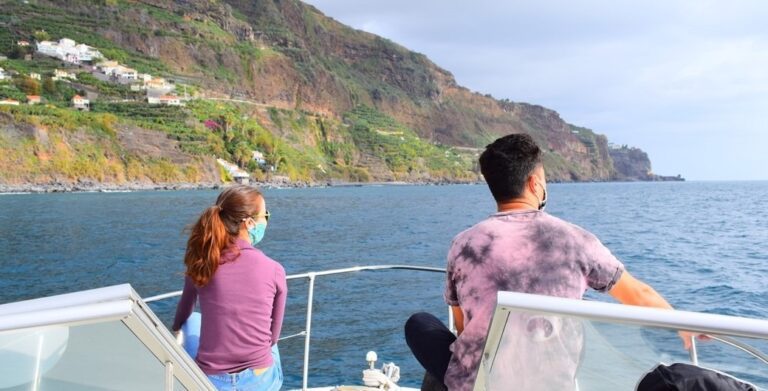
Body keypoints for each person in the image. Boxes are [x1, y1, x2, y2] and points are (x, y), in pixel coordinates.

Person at [405, 133, 693, 391]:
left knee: (419, 324)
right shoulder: (575, 239)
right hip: (552, 382)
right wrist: (683, 325)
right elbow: (636, 293)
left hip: (482, 382)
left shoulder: (464, 245)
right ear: (535, 183)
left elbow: (463, 327)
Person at [173, 185, 287, 391]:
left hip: (212, 382)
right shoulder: (274, 269)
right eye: (266, 216)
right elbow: (273, 337)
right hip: (259, 382)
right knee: (272, 345)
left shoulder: (202, 263)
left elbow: (183, 313)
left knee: (193, 321)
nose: (267, 220)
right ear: (250, 223)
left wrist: (175, 331)